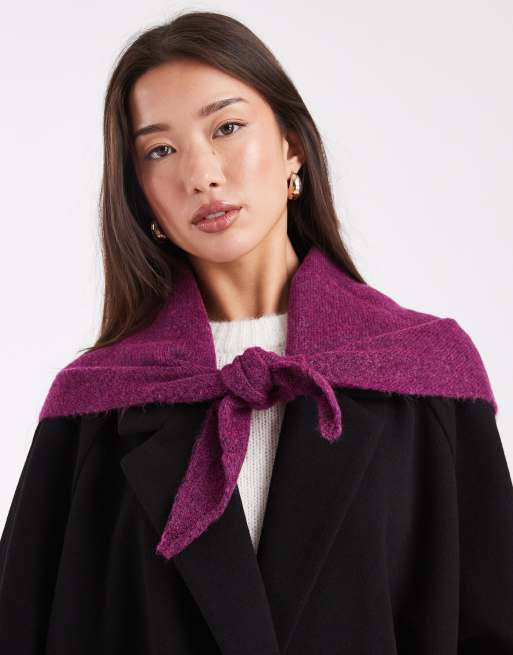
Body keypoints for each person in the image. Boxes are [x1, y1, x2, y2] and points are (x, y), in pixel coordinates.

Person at [1, 10, 512, 654]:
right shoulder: (95, 404)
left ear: (291, 145)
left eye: (227, 127)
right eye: (160, 150)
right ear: (140, 193)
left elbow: (490, 625)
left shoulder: (426, 372)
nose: (201, 174)